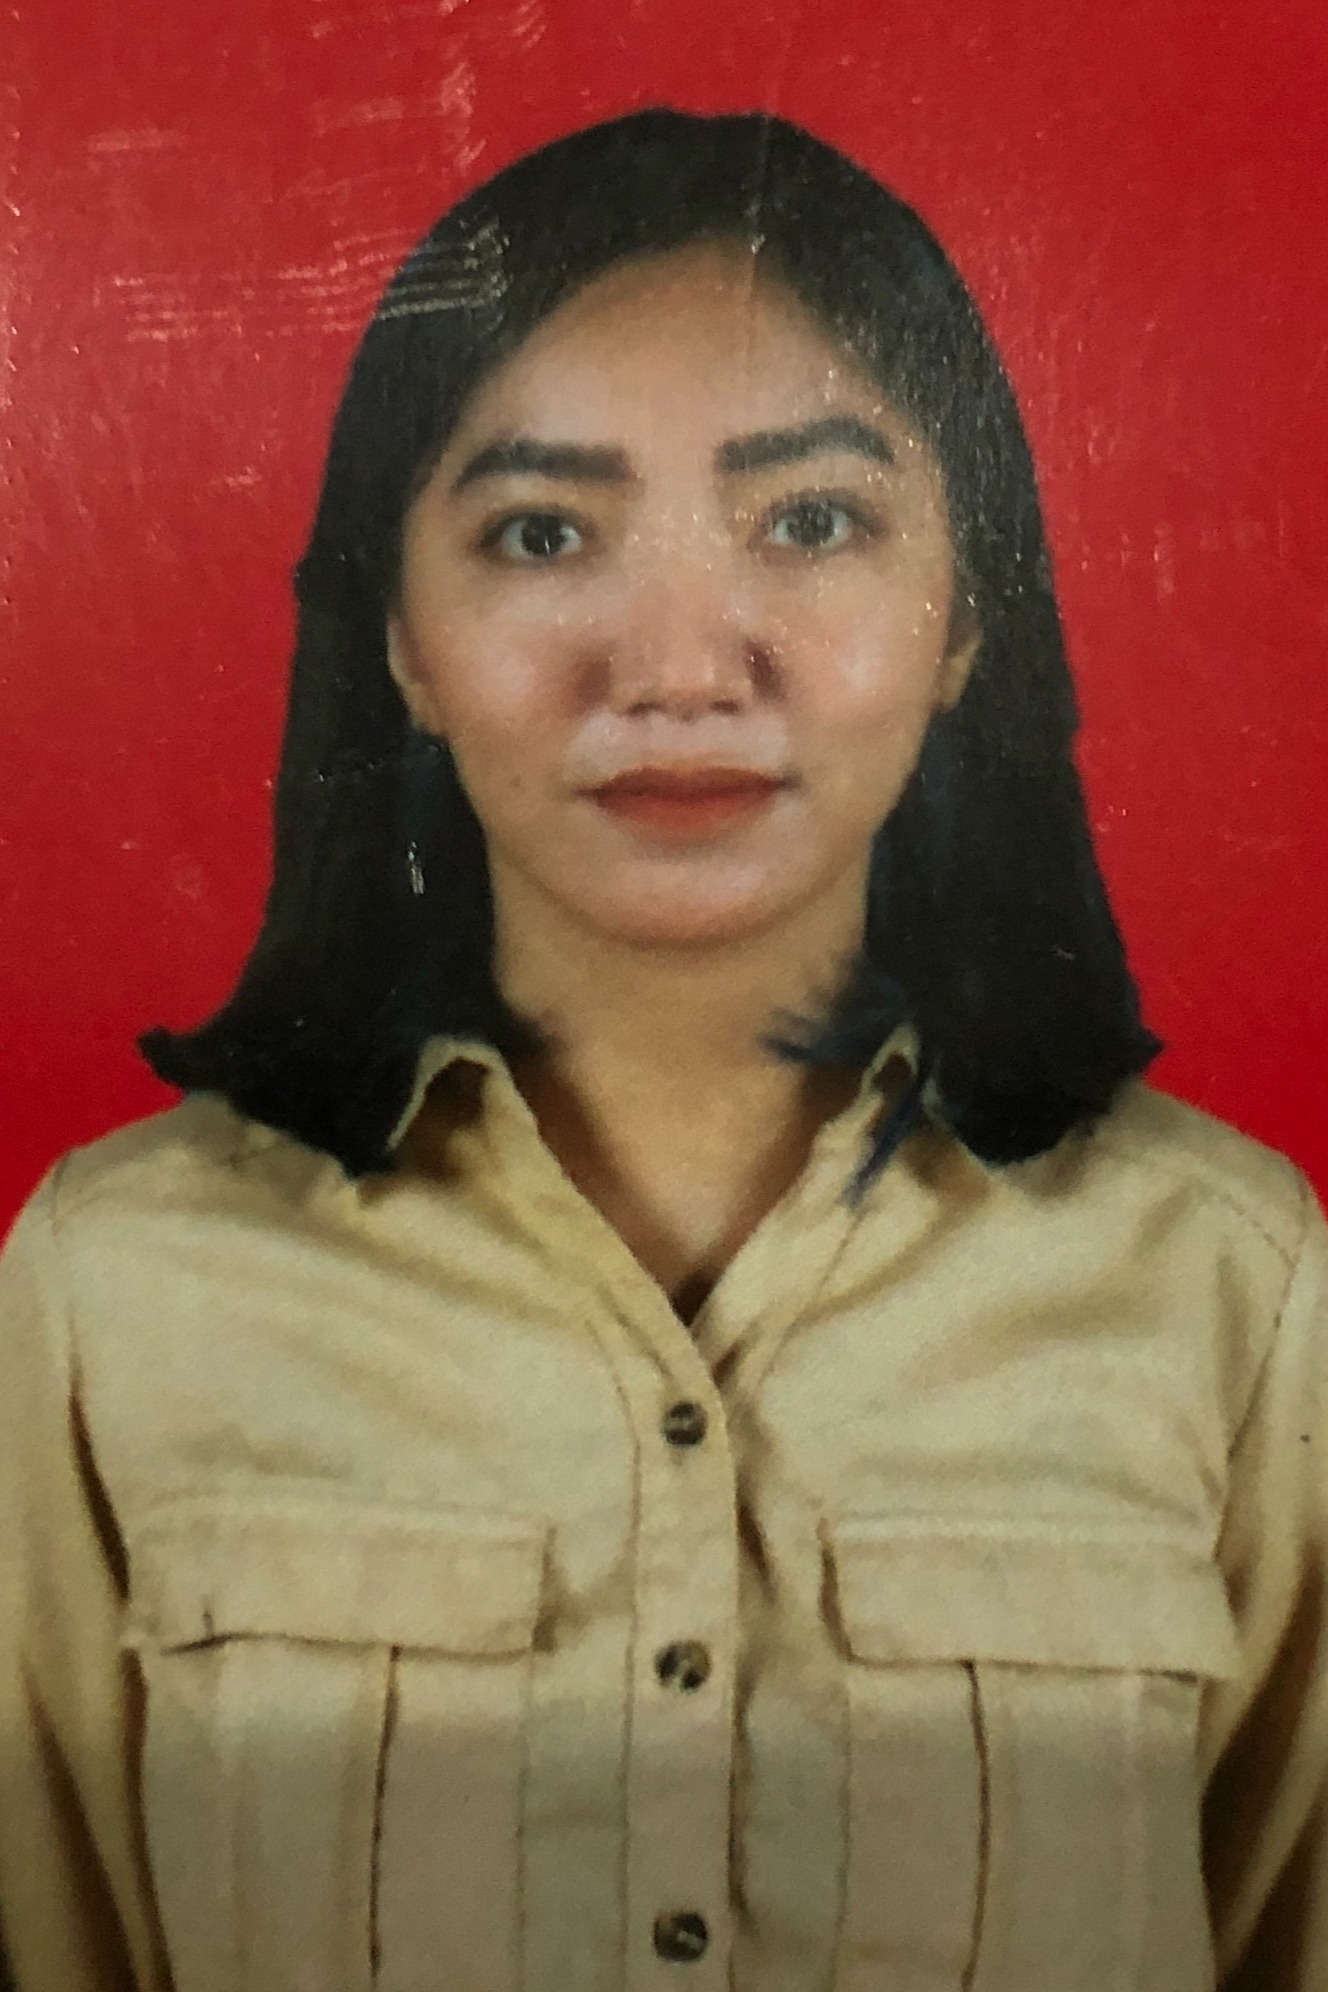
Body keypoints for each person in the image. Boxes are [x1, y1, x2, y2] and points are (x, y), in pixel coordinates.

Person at [0, 106, 1323, 1992]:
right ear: (401, 636)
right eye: (544, 533)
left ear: (967, 618)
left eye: (813, 522)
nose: (684, 670)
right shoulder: (111, 1288)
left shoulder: (1238, 1289)